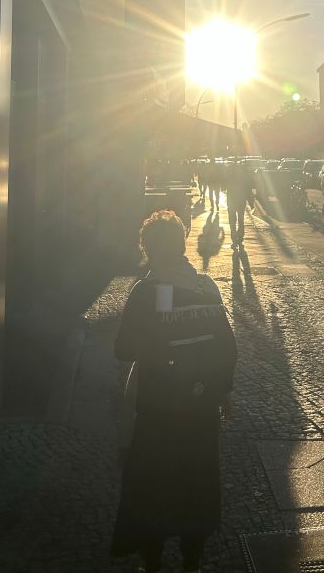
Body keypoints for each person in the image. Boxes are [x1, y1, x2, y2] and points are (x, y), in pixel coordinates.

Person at [111, 210, 237, 573]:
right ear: (183, 246)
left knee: (154, 481)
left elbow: (123, 349)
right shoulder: (206, 287)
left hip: (156, 409)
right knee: (196, 481)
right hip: (201, 408)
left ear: (148, 249)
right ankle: (192, 560)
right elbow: (227, 347)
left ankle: (152, 561)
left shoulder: (148, 291)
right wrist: (223, 390)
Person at [225, 161, 254, 249]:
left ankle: (234, 239)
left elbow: (223, 187)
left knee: (232, 221)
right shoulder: (244, 178)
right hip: (241, 202)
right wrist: (251, 202)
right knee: (240, 221)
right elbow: (248, 191)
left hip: (232, 201)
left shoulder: (229, 177)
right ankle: (240, 238)